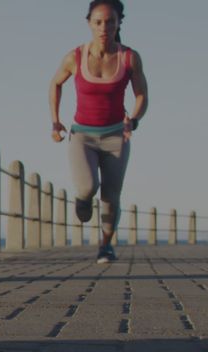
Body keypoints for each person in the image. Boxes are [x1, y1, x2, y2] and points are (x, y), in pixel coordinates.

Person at [49, 0, 148, 263]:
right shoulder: (75, 57)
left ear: (118, 23)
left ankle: (105, 246)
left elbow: (142, 95)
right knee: (88, 187)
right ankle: (82, 200)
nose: (104, 27)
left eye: (110, 21)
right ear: (89, 24)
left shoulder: (129, 57)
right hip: (82, 135)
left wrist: (133, 120)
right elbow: (55, 84)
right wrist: (55, 121)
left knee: (111, 195)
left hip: (117, 135)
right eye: (98, 22)